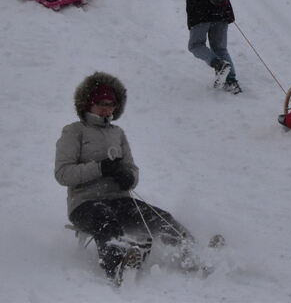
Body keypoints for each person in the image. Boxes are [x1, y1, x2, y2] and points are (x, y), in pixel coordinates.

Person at [55, 72, 203, 286]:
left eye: (111, 104)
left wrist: (128, 177)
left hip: (119, 199)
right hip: (85, 203)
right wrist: (99, 168)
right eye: (101, 103)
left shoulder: (118, 133)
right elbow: (63, 174)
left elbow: (132, 169)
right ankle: (118, 268)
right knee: (106, 221)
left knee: (159, 218)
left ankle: (193, 254)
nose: (107, 109)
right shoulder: (74, 132)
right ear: (88, 103)